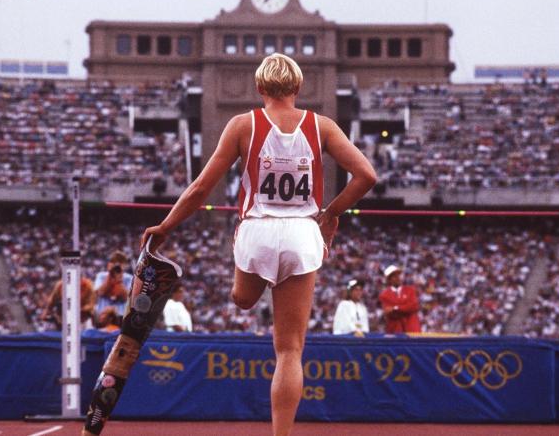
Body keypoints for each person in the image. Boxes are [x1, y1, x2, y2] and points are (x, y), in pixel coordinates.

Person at [141, 53, 376, 436]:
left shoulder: (242, 124)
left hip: (257, 229)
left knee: (243, 300)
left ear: (259, 88)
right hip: (302, 232)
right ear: (298, 88)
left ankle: (250, 283)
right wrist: (331, 213)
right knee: (289, 351)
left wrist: (166, 225)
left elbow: (201, 188)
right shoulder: (323, 127)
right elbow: (366, 175)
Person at [379, 265, 421, 334]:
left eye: (398, 275)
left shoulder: (410, 290)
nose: (398, 278)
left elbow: (414, 307)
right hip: (395, 330)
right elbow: (390, 313)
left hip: (412, 329)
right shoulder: (384, 295)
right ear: (389, 279)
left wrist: (396, 308)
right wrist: (405, 307)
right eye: (394, 276)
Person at [93, 251, 132, 318]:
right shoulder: (101, 276)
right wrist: (110, 275)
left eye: (120, 262)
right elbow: (100, 292)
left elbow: (127, 297)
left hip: (121, 316)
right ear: (109, 264)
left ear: (124, 265)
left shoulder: (129, 278)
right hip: (102, 316)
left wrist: (119, 279)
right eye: (114, 262)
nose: (117, 265)